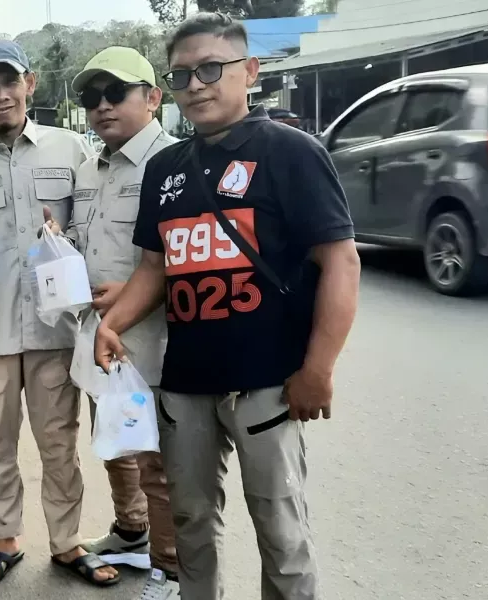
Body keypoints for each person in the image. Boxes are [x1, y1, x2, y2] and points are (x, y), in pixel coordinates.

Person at [94, 13, 361, 600]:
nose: (197, 85)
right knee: (190, 524)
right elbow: (155, 267)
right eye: (183, 74)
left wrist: (318, 370)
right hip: (186, 381)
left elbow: (341, 261)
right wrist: (112, 324)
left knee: (280, 532)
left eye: (211, 69)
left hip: (269, 383)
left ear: (250, 71)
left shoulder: (291, 153)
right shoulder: (165, 168)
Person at [0, 40, 115, 588]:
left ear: (31, 83)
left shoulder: (70, 151)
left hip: (54, 326)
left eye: (9, 82)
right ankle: (4, 539)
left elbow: (92, 226)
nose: (0, 95)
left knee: (58, 442)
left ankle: (67, 543)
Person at [67, 47, 181, 599]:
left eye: (117, 93)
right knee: (113, 442)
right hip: (98, 336)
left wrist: (135, 291)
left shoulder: (174, 165)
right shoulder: (90, 167)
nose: (103, 106)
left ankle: (169, 568)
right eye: (93, 97)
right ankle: (131, 533)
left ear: (153, 97)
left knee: (156, 461)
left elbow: (182, 256)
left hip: (153, 339)